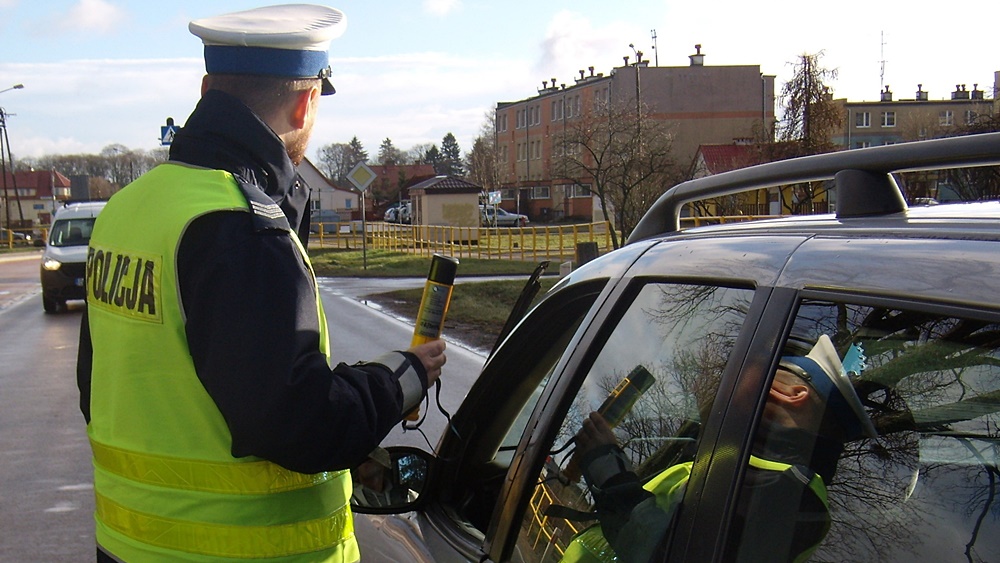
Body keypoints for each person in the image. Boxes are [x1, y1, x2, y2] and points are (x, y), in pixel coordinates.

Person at [75, 5, 446, 562]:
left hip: (129, 547)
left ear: (207, 88)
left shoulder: (126, 211)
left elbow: (97, 389)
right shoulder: (242, 226)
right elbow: (298, 423)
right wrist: (401, 379)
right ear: (306, 101)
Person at [560, 335, 876, 563]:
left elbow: (670, 550)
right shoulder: (741, 459)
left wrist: (608, 471)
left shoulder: (787, 490)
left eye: (769, 370)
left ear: (793, 394)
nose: (735, 376)